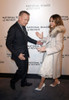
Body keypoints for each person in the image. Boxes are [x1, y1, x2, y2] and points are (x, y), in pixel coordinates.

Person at [6, 11, 42, 90]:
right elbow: (8, 44)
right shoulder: (13, 28)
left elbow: (26, 37)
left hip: (25, 52)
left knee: (25, 69)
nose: (27, 22)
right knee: (21, 70)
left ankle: (23, 82)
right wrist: (18, 54)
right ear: (19, 18)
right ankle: (12, 81)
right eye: (25, 20)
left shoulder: (23, 26)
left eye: (28, 20)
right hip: (18, 54)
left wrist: (36, 42)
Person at [35, 14, 66, 91]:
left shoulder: (58, 32)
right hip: (49, 54)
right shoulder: (53, 30)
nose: (51, 23)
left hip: (52, 54)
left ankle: (41, 84)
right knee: (51, 69)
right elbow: (49, 40)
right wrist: (42, 38)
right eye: (50, 21)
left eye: (52, 21)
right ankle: (56, 80)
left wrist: (46, 49)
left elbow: (59, 46)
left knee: (45, 69)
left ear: (57, 21)